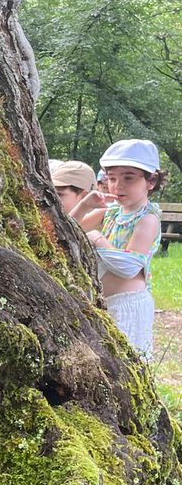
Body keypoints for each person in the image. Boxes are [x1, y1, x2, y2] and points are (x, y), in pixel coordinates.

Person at [73, 138, 164, 359]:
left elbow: (129, 266)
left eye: (129, 178)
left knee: (128, 360)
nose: (118, 185)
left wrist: (97, 239)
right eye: (112, 178)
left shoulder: (148, 219)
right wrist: (84, 205)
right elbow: (67, 229)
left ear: (150, 181)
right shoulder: (111, 211)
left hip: (129, 305)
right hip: (105, 302)